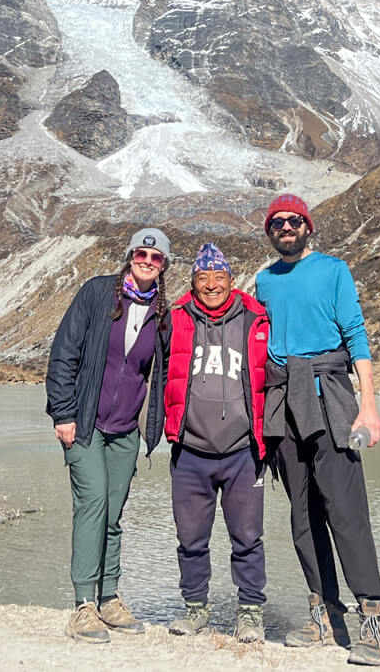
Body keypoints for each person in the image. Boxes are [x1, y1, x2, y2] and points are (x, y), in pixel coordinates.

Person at [254, 193, 380, 666]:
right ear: (270, 232)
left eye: (294, 221)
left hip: (330, 394)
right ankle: (325, 614)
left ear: (308, 227)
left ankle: (374, 619)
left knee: (345, 508)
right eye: (277, 223)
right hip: (283, 400)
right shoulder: (264, 281)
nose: (286, 228)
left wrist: (368, 407)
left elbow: (356, 335)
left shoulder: (334, 270)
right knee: (302, 514)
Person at [45, 228, 171, 644]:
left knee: (113, 513)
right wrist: (63, 414)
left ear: (164, 266)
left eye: (156, 257)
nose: (147, 261)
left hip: (124, 430)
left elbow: (165, 370)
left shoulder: (162, 312)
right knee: (93, 503)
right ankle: (83, 604)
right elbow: (64, 353)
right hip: (84, 425)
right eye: (142, 253)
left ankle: (109, 597)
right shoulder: (98, 293)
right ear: (130, 255)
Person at [146, 242, 270, 643]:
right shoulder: (176, 317)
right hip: (190, 451)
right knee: (190, 538)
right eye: (203, 278)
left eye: (219, 277)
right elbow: (151, 366)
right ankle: (195, 609)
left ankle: (250, 611)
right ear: (193, 282)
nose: (212, 285)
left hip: (242, 452)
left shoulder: (256, 317)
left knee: (247, 537)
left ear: (232, 280)